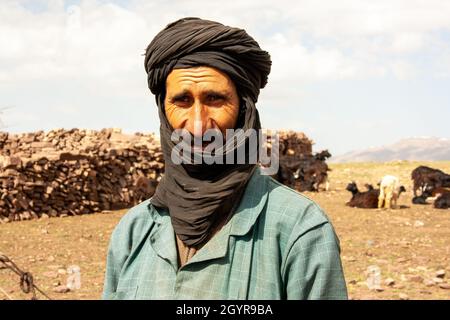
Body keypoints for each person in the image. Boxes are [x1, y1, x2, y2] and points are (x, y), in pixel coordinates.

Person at [102, 17, 347, 300]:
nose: (197, 125)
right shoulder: (133, 232)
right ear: (163, 109)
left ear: (244, 110)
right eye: (182, 101)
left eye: (215, 99)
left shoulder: (300, 230)